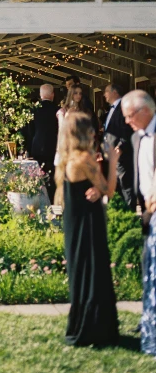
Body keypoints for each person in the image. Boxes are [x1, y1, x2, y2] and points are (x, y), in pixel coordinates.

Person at [55, 112, 120, 347]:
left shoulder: (69, 158)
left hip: (75, 223)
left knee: (81, 270)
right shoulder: (85, 159)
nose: (95, 133)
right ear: (83, 133)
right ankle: (97, 328)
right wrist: (112, 162)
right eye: (91, 130)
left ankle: (83, 323)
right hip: (89, 223)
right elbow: (109, 190)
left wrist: (98, 189)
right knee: (94, 269)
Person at [121, 90, 156, 353]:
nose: (127, 121)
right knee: (148, 269)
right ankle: (148, 320)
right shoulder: (137, 137)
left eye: (129, 116)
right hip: (148, 211)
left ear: (144, 111)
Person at [103, 83, 135, 208]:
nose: (104, 94)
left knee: (125, 185)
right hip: (111, 154)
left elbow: (127, 130)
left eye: (106, 91)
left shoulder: (123, 107)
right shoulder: (112, 108)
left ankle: (129, 216)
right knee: (115, 186)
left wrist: (120, 146)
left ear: (114, 92)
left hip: (122, 154)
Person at [25, 84, 59, 202]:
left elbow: (30, 131)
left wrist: (29, 148)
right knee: (53, 176)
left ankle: (39, 200)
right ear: (53, 95)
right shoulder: (57, 110)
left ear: (40, 95)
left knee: (38, 174)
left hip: (37, 146)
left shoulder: (34, 110)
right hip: (53, 147)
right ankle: (52, 198)